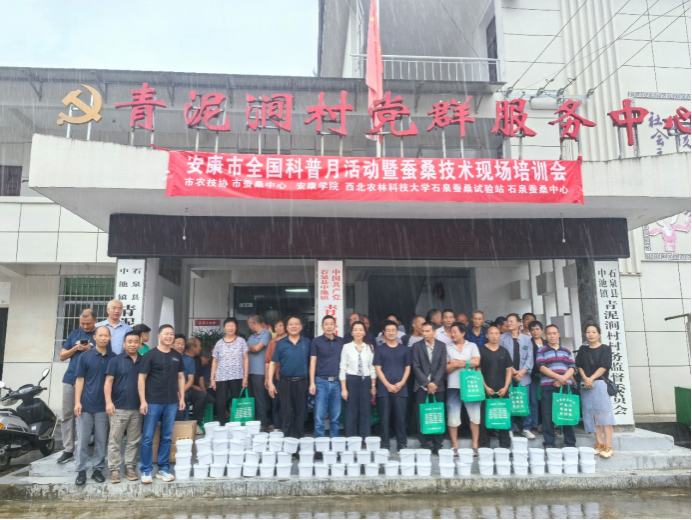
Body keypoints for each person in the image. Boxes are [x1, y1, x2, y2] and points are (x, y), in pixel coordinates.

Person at [138, 324, 186, 484]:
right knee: (147, 437)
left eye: (172, 334)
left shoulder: (176, 356)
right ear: (159, 336)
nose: (170, 336)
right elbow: (141, 378)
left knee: (166, 437)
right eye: (167, 333)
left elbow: (181, 377)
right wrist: (143, 400)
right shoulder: (150, 355)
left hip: (171, 403)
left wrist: (182, 398)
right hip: (153, 402)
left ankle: (163, 468)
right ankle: (146, 470)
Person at [74, 326, 115, 486]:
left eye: (106, 335)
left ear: (110, 338)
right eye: (100, 335)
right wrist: (77, 402)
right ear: (94, 338)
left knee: (101, 440)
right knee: (83, 441)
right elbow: (79, 380)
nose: (103, 338)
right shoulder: (85, 357)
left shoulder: (114, 358)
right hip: (85, 405)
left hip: (104, 407)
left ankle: (97, 469)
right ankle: (81, 470)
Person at [58, 309, 98, 465]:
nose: (85, 326)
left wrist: (90, 349)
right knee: (67, 414)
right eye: (82, 323)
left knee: (85, 415)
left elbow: (105, 355)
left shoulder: (99, 335)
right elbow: (62, 356)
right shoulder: (74, 334)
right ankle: (68, 449)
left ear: (95, 321)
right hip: (70, 379)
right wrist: (76, 348)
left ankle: (84, 447)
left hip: (90, 382)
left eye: (88, 324)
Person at [104, 331, 143, 484]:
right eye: (130, 342)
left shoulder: (144, 361)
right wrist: (108, 402)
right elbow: (108, 382)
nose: (133, 344)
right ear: (124, 344)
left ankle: (129, 468)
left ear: (140, 344)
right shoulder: (115, 360)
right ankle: (114, 469)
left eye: (136, 342)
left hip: (137, 407)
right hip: (118, 407)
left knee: (133, 440)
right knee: (115, 439)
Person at [577, 323, 616, 459]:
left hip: (599, 384)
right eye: (588, 332)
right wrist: (585, 379)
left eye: (594, 332)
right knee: (591, 416)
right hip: (586, 385)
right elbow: (579, 365)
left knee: (605, 416)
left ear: (599, 334)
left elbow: (604, 366)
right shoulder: (582, 349)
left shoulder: (605, 349)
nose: (591, 334)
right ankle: (599, 443)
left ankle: (608, 446)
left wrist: (591, 378)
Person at [268, 316, 311, 440]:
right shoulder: (281, 343)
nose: (294, 326)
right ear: (287, 328)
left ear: (301, 327)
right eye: (291, 324)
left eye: (296, 324)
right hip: (285, 382)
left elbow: (312, 363)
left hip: (302, 382)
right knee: (286, 413)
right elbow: (273, 363)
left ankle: (299, 441)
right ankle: (288, 442)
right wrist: (270, 382)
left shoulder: (307, 342)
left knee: (300, 413)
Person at [537, 324, 577, 449]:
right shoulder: (541, 350)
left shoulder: (566, 351)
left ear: (558, 335)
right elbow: (542, 367)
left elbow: (572, 367)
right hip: (548, 387)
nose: (552, 336)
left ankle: (570, 443)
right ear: (545, 336)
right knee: (547, 415)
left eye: (554, 333)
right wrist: (559, 377)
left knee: (566, 414)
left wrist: (563, 378)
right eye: (549, 334)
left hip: (564, 386)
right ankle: (549, 442)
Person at [374, 321, 412, 452]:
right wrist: (387, 384)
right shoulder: (379, 349)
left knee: (401, 418)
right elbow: (378, 369)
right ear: (384, 332)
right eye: (388, 330)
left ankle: (402, 443)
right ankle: (385, 444)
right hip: (384, 389)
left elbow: (408, 368)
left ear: (397, 332)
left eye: (393, 330)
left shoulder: (405, 349)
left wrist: (401, 383)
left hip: (401, 388)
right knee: (384, 418)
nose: (391, 332)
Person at [445, 323, 482, 455]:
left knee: (475, 416)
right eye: (451, 332)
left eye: (455, 332)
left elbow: (477, 362)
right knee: (453, 416)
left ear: (463, 333)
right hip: (453, 385)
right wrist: (465, 362)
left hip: (471, 385)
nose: (452, 334)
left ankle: (475, 446)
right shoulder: (447, 347)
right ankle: (455, 446)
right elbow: (446, 368)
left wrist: (456, 363)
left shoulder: (471, 346)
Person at [412, 321, 447, 454]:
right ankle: (424, 443)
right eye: (423, 331)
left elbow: (442, 366)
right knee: (422, 414)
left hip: (438, 386)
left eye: (428, 331)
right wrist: (427, 383)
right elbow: (415, 366)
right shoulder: (416, 346)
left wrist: (435, 383)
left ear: (434, 332)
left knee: (438, 413)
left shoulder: (442, 345)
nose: (425, 334)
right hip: (422, 385)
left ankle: (438, 443)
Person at [499, 313, 535, 440]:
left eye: (512, 321)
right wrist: (513, 371)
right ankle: (510, 428)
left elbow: (530, 357)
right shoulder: (502, 338)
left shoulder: (527, 339)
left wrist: (522, 372)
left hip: (523, 377)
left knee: (525, 402)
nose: (509, 323)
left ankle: (526, 428)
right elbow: (502, 356)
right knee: (509, 401)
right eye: (508, 321)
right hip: (508, 376)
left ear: (519, 323)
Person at [340, 322, 377, 441]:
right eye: (355, 330)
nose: (358, 332)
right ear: (352, 333)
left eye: (360, 330)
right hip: (351, 380)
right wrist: (344, 388)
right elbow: (343, 368)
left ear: (364, 332)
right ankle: (351, 440)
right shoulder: (346, 347)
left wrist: (373, 385)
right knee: (351, 412)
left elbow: (372, 368)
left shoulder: (370, 347)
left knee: (365, 411)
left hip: (365, 381)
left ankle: (364, 440)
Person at [309, 316, 345, 439]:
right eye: (326, 324)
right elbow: (313, 362)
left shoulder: (341, 342)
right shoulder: (316, 341)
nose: (329, 326)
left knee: (335, 417)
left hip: (337, 382)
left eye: (331, 324)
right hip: (321, 382)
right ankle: (320, 445)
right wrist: (312, 382)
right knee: (319, 417)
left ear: (335, 326)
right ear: (322, 327)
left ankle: (335, 444)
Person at [479, 325, 513, 450]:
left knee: (503, 416)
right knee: (484, 416)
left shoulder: (504, 351)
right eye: (491, 333)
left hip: (502, 389)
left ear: (500, 336)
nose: (494, 336)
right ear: (487, 335)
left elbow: (509, 370)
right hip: (485, 390)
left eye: (496, 333)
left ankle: (504, 444)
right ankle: (484, 444)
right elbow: (478, 371)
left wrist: (506, 387)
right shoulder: (481, 350)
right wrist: (485, 387)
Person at [211, 318, 249, 426]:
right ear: (224, 328)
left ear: (236, 327)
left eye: (233, 325)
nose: (230, 328)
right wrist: (212, 379)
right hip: (221, 376)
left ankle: (236, 424)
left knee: (236, 401)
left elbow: (246, 359)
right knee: (221, 402)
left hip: (237, 376)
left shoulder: (241, 341)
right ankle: (222, 424)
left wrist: (245, 377)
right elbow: (215, 361)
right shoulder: (219, 343)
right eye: (228, 326)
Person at [246, 315, 272, 431]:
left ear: (254, 323)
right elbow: (246, 350)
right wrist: (250, 348)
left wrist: (249, 348)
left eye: (249, 324)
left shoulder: (266, 333)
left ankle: (263, 423)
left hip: (260, 372)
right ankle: (255, 422)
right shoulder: (252, 336)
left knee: (260, 399)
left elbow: (257, 348)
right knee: (253, 399)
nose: (249, 327)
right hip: (250, 371)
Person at [184, 339, 215, 433]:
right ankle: (183, 424)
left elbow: (201, 375)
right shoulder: (183, 358)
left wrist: (203, 388)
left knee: (206, 397)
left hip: (194, 389)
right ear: (193, 347)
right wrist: (194, 386)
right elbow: (183, 379)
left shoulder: (197, 359)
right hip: (184, 389)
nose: (201, 348)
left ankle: (196, 422)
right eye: (199, 346)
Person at [265, 319, 287, 431]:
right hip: (275, 376)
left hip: (287, 376)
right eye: (276, 326)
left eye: (280, 326)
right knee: (276, 403)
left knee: (286, 403)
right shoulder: (272, 343)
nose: (278, 328)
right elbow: (268, 362)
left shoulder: (290, 340)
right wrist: (267, 378)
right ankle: (278, 428)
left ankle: (286, 427)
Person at [527, 321, 545, 436]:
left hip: (547, 377)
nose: (535, 332)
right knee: (533, 401)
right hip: (533, 376)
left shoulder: (547, 343)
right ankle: (534, 425)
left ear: (541, 331)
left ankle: (547, 425)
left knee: (546, 401)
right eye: (532, 330)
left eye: (537, 329)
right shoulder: (528, 343)